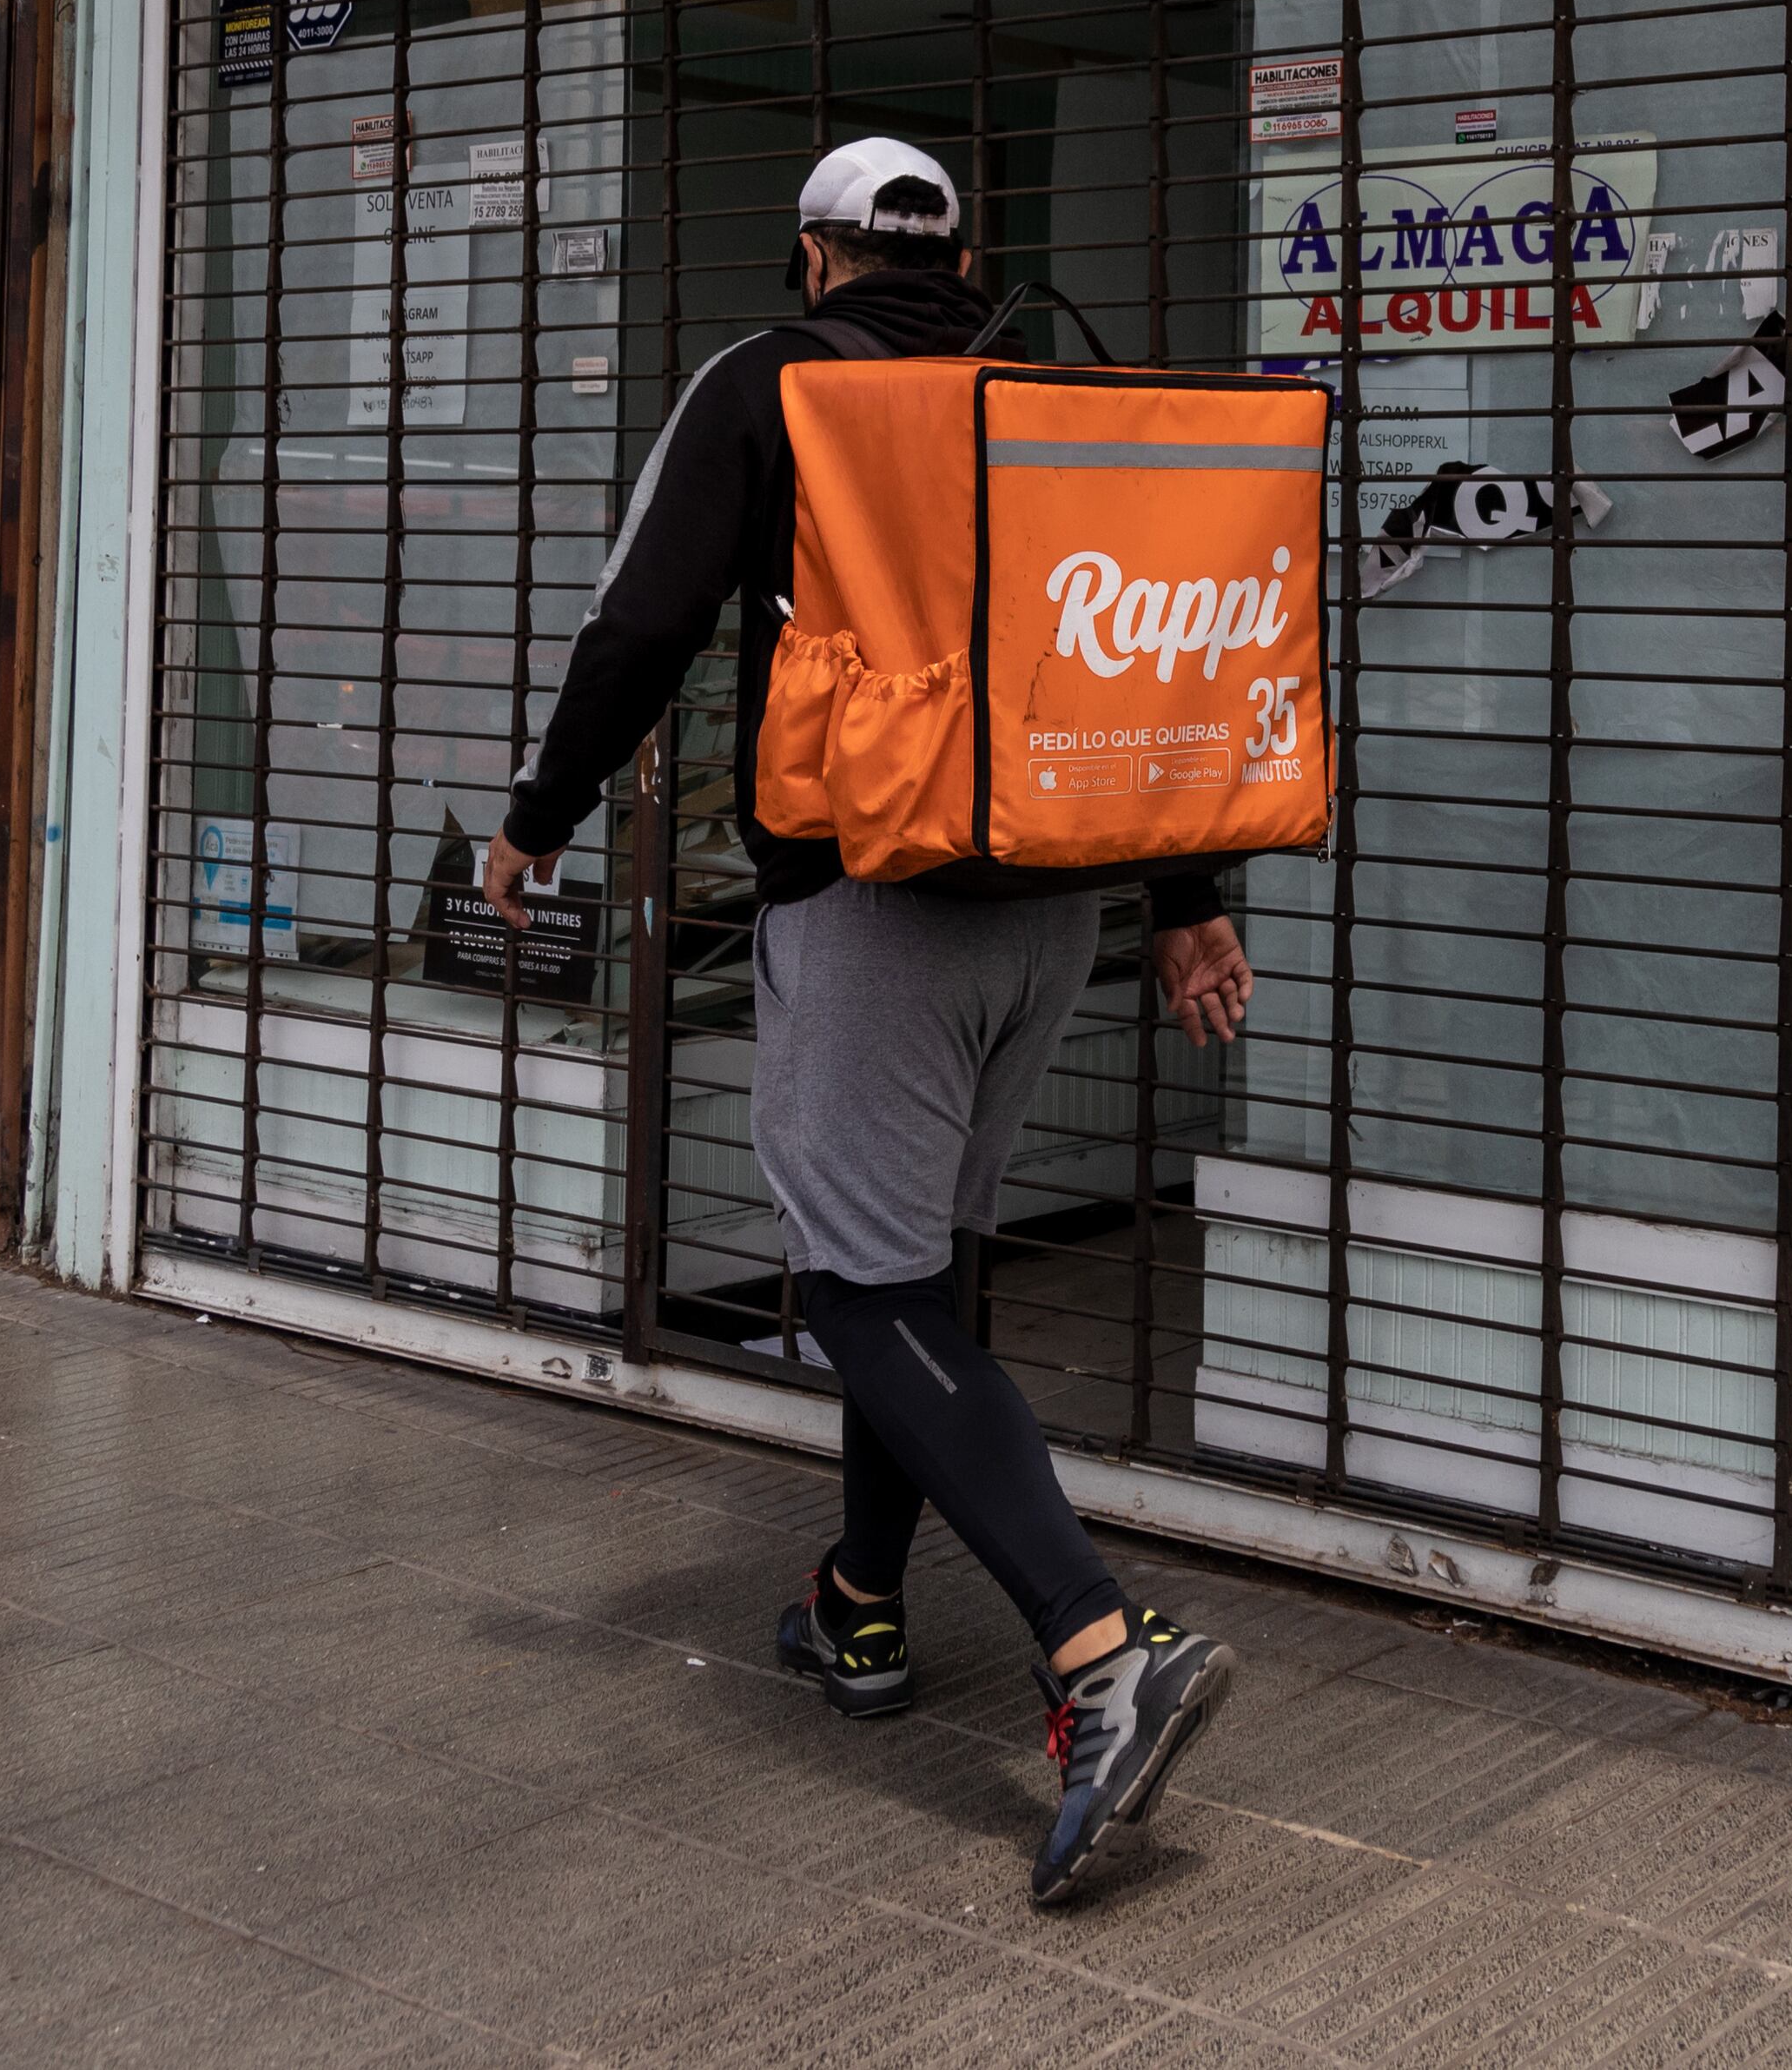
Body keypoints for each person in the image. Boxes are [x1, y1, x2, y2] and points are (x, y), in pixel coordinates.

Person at [483, 135, 1252, 1909]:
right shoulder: (1029, 388)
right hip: (1052, 902)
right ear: (960, 257)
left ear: (815, 256)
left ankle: (1095, 1646)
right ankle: (861, 1600)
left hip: (872, 900)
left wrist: (539, 815)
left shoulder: (769, 383)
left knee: (855, 1285)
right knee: (924, 1264)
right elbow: (1132, 658)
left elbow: (643, 623)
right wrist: (1188, 892)